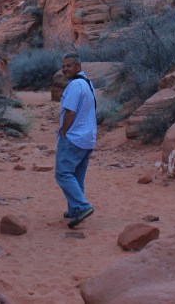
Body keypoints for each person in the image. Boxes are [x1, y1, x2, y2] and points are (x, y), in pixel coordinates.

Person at [55, 53, 97, 228]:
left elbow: (70, 112)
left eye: (69, 66)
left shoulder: (74, 85)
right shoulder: (88, 83)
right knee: (77, 175)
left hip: (74, 137)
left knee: (63, 173)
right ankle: (74, 209)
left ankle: (82, 206)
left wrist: (63, 132)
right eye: (63, 66)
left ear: (78, 67)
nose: (65, 69)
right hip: (88, 138)